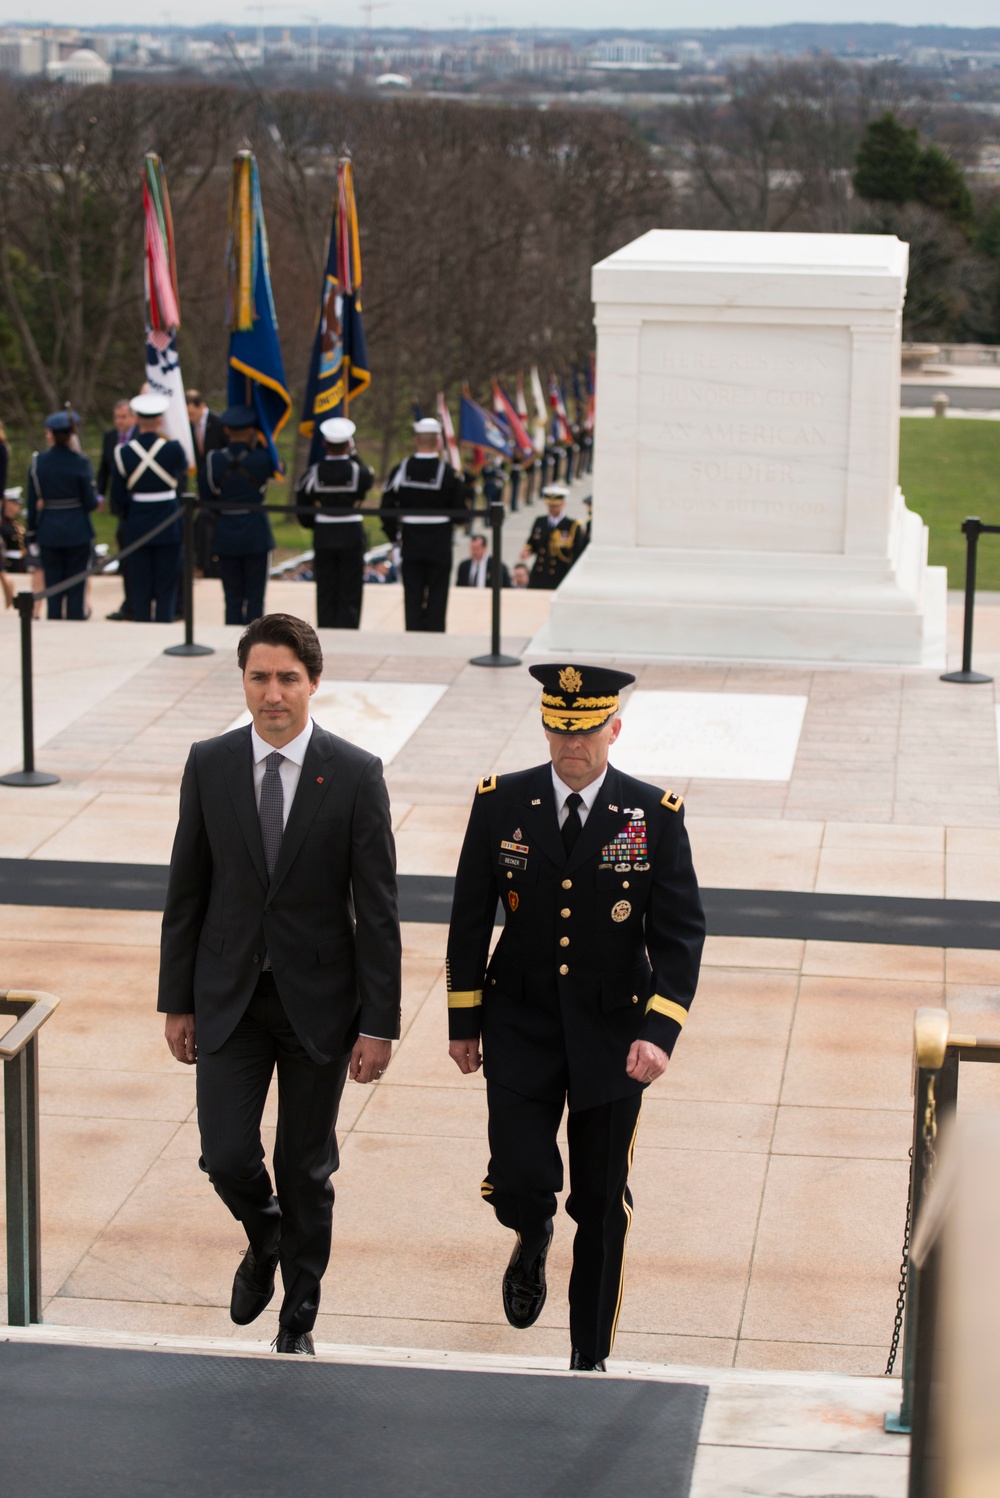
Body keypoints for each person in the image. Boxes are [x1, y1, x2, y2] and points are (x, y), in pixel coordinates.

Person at [446, 663, 704, 1372]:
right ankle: (531, 1233)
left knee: (600, 1200)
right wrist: (462, 1021)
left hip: (613, 1037)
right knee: (523, 1174)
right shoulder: (502, 803)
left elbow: (680, 935)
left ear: (613, 729)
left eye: (585, 729)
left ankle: (588, 1358)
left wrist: (661, 1031)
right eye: (559, 729)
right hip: (519, 1023)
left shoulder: (653, 815)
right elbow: (470, 917)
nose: (571, 744)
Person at [158, 612, 402, 1355]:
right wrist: (176, 1000)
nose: (272, 694)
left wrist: (379, 1022)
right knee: (225, 1152)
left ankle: (299, 1313)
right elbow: (187, 889)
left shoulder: (355, 774)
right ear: (243, 681)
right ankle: (264, 1235)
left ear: (314, 684)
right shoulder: (208, 763)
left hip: (319, 1009)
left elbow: (379, 909)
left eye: (288, 678)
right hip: (228, 998)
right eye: (259, 677)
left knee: (305, 1163)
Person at [382, 417, 468, 632]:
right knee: (438, 592)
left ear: (416, 440)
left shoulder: (400, 470)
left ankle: (413, 633)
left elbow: (386, 507)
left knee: (412, 591)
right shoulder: (449, 472)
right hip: (439, 541)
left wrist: (394, 537)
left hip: (411, 540)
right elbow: (460, 513)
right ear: (438, 442)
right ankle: (435, 634)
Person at [111, 393, 187, 623]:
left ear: (136, 419)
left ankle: (142, 623)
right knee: (167, 581)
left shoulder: (123, 452)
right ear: (160, 420)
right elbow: (182, 486)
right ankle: (164, 621)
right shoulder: (174, 449)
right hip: (169, 520)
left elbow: (118, 497)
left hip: (138, 522)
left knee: (140, 582)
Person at [297, 416, 373, 629]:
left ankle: (327, 629)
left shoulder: (314, 471)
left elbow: (302, 499)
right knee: (351, 587)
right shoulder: (359, 471)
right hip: (350, 532)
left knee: (326, 587)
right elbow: (367, 481)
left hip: (324, 532)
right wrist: (354, 454)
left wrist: (313, 523)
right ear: (349, 444)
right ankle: (348, 630)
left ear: (324, 444)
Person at [205, 404, 276, 627]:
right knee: (256, 598)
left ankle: (232, 642)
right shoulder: (264, 458)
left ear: (227, 430)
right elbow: (275, 462)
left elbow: (208, 496)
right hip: (255, 531)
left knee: (232, 597)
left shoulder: (214, 459)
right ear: (253, 430)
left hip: (226, 529)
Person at [26, 410, 98, 621]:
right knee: (77, 584)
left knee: (54, 585)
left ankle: (55, 622)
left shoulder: (40, 462)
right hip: (77, 529)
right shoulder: (80, 462)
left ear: (51, 434)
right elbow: (90, 503)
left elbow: (33, 502)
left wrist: (32, 529)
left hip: (49, 529)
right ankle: (75, 622)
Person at [97, 399, 137, 621]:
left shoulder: (141, 436)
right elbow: (104, 468)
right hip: (121, 507)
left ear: (133, 418)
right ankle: (129, 603)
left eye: (124, 417)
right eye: (117, 418)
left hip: (140, 505)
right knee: (126, 555)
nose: (120, 422)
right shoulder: (110, 437)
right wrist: (100, 495)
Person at [187, 390, 226, 578]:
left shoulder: (218, 423)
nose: (190, 418)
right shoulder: (188, 427)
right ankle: (200, 563)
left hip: (218, 485)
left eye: (192, 414)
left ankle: (207, 565)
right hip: (202, 484)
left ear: (201, 406)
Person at [524, 485, 586, 591]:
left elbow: (576, 551)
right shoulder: (540, 521)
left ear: (562, 504)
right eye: (550, 505)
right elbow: (532, 542)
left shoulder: (572, 525)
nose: (552, 508)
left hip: (559, 572)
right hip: (540, 572)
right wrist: (528, 550)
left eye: (555, 505)